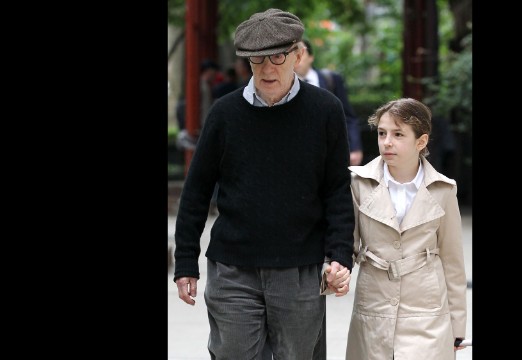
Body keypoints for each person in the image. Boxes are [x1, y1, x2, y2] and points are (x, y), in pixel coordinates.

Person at [173, 8, 354, 360]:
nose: (267, 68)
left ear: (297, 55)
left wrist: (340, 254)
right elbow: (195, 191)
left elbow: (336, 189)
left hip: (299, 267)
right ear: (246, 62)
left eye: (277, 56)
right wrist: (185, 262)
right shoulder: (224, 114)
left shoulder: (325, 110)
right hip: (233, 266)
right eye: (257, 59)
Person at [345, 98, 467, 360]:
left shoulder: (444, 189)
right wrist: (332, 271)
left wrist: (458, 327)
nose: (387, 141)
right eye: (382, 133)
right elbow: (346, 246)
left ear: (421, 142)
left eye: (398, 134)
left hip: (427, 312)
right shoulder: (357, 183)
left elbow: (452, 261)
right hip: (374, 307)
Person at [294, 39, 363, 166]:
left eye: (300, 53)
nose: (297, 58)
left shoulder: (331, 80)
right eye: (292, 54)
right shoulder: (284, 86)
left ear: (311, 57)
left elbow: (347, 116)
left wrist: (355, 147)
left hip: (331, 153)